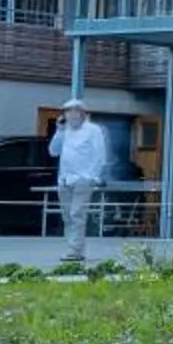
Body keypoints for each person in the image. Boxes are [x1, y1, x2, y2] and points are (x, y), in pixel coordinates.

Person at [49, 100, 111, 259]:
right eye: (66, 112)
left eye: (72, 111)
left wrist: (91, 176)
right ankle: (75, 248)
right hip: (64, 179)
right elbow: (53, 151)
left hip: (83, 178)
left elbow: (100, 155)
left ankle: (74, 250)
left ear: (82, 113)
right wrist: (59, 131)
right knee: (67, 215)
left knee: (77, 213)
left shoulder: (93, 130)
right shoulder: (65, 130)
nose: (69, 115)